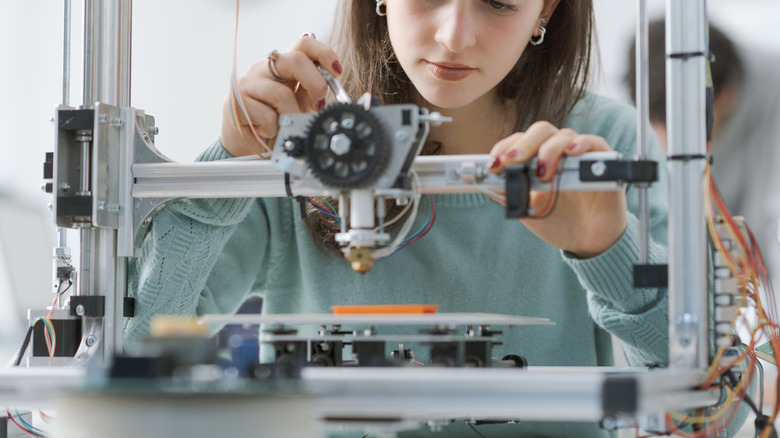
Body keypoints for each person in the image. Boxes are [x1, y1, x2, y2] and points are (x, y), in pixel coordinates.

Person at [125, 1, 673, 436]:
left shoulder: (602, 148)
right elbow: (135, 353)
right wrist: (230, 162)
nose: (454, 37)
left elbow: (702, 402)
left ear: (545, 9)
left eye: (499, 1)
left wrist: (607, 249)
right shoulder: (296, 139)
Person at [624, 18, 780, 287]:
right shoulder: (641, 100)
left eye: (685, 132)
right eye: (659, 129)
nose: (668, 147)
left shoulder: (770, 97)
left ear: (727, 97)